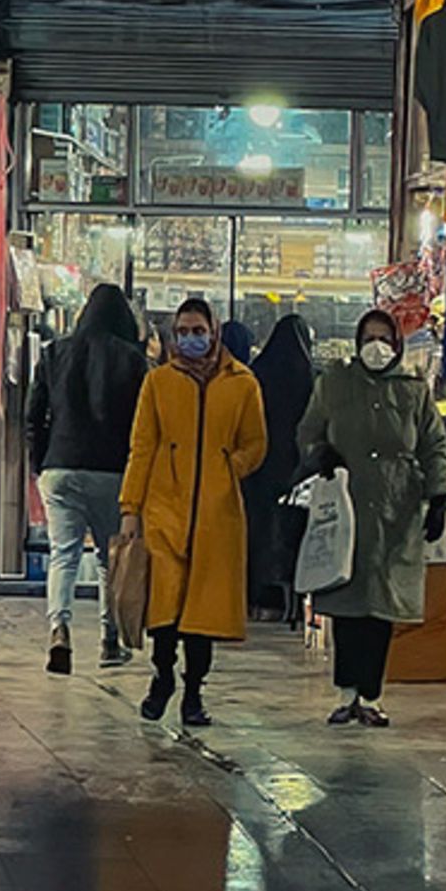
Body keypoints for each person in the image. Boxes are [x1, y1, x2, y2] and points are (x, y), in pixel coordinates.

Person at [295, 308, 446, 730]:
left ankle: (372, 693)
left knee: (382, 607)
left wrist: (439, 495)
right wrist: (319, 455)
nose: (376, 345)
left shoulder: (414, 393)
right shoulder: (334, 384)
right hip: (345, 506)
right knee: (347, 603)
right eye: (369, 337)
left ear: (397, 344)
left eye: (384, 337)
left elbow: (434, 446)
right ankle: (347, 691)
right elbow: (309, 432)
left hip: (395, 510)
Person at [118, 297, 267, 728]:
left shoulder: (243, 384)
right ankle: (162, 675)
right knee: (164, 609)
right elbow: (141, 447)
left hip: (217, 514)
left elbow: (256, 443)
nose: (190, 339)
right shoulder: (158, 383)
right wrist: (131, 508)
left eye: (197, 330)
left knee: (202, 612)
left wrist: (229, 467)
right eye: (182, 331)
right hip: (164, 508)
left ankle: (194, 693)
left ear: (214, 331)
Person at [26, 284, 148, 675]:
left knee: (64, 553)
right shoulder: (133, 360)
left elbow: (34, 416)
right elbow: (141, 427)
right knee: (109, 557)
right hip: (112, 471)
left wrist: (41, 462)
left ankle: (59, 628)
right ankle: (109, 639)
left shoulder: (54, 353)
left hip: (60, 466)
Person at [246, 314, 315, 621]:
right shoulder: (310, 376)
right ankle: (294, 604)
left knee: (258, 533)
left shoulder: (257, 373)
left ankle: (258, 599)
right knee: (294, 535)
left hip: (260, 465)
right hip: (298, 469)